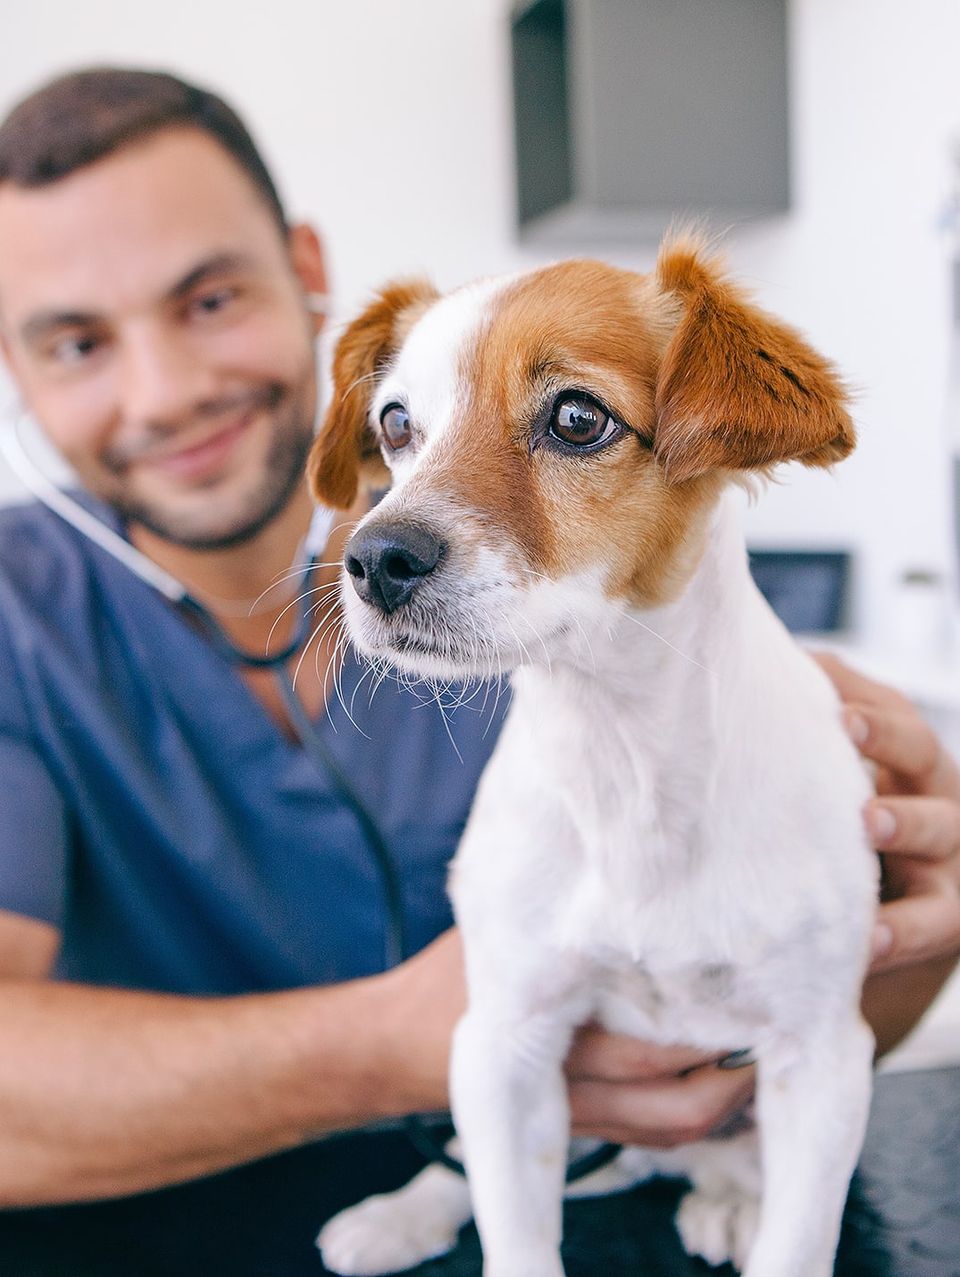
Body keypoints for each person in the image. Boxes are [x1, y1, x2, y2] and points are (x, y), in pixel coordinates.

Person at [0, 66, 956, 1275]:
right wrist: (401, 1038)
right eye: (75, 339)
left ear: (303, 269)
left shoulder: (677, 663)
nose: (165, 389)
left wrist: (915, 922)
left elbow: (806, 1041)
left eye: (207, 298)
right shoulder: (19, 619)